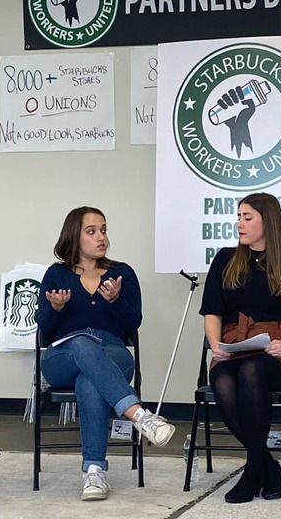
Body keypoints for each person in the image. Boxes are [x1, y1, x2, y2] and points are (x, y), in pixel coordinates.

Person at [36, 206, 176, 502]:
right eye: (92, 231)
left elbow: (133, 324)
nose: (101, 237)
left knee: (90, 381)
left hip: (112, 351)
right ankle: (139, 415)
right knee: (81, 344)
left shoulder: (121, 273)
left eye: (104, 230)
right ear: (74, 236)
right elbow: (44, 327)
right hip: (64, 355)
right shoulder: (56, 274)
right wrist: (57, 308)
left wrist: (114, 301)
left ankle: (95, 471)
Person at [200, 192, 281, 504]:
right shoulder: (225, 259)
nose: (239, 223)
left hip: (277, 352)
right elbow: (211, 312)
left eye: (247, 217)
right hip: (233, 345)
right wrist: (215, 345)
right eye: (239, 217)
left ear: (269, 222)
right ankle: (265, 464)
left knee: (252, 371)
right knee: (223, 379)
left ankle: (253, 471)